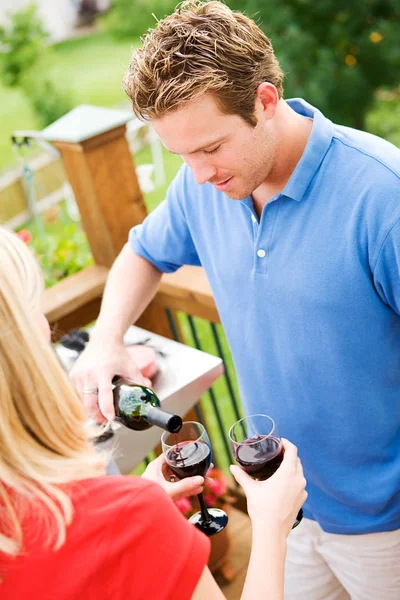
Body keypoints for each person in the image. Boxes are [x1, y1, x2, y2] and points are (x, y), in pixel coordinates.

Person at [71, 1, 400, 599]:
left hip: (387, 529)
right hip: (281, 508)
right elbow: (142, 253)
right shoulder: (202, 185)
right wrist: (106, 338)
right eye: (181, 155)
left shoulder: (383, 198)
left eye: (211, 149)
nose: (198, 175)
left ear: (265, 101)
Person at [0, 226, 306, 599]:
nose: (48, 326)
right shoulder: (121, 515)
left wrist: (136, 502)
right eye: (36, 306)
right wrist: (272, 525)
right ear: (17, 354)